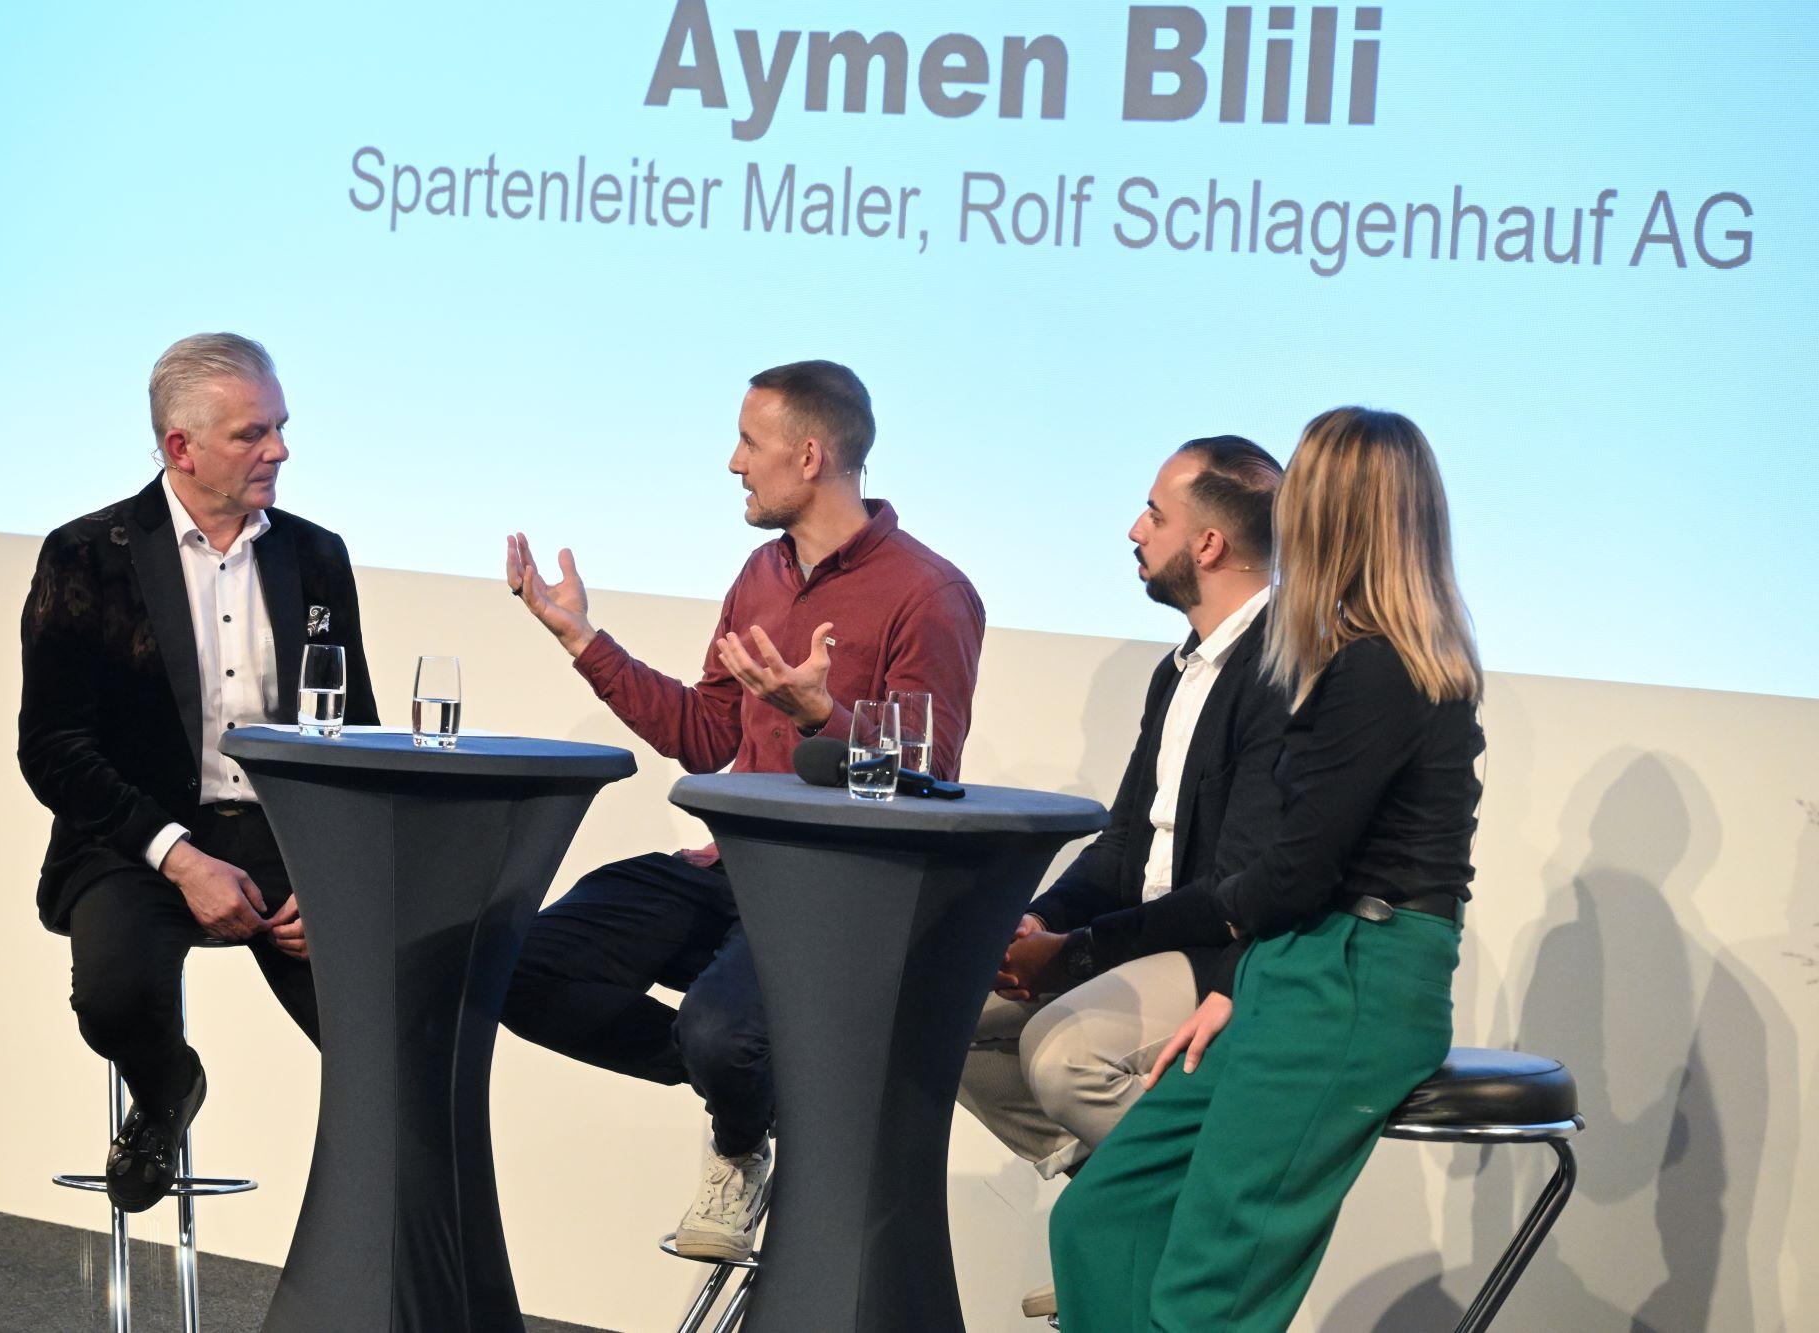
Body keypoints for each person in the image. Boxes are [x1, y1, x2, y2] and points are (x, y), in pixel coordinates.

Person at [499, 360, 985, 1261]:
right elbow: (703, 731)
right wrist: (581, 638)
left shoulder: (930, 593)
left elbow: (930, 776)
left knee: (722, 1028)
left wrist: (820, 718)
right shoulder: (761, 572)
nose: (732, 462)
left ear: (809, 455)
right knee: (518, 965)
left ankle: (735, 1134)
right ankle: (759, 1097)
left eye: (749, 443)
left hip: (834, 893)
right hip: (730, 871)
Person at [1048, 406, 1486, 1331]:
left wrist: (1100, 945)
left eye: (1306, 489)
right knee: (1104, 1214)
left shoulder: (1382, 667)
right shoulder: (1342, 656)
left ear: (1332, 513)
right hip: (1298, 966)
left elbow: (1291, 874)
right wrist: (1244, 980)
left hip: (1357, 974)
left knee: (1204, 1293)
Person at [17, 333, 377, 1213]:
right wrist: (179, 855)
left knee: (385, 1028)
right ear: (181, 447)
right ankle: (166, 1088)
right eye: (253, 433)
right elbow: (52, 747)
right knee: (115, 996)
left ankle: (375, 1226)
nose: (280, 450)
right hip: (137, 832)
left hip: (286, 835)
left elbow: (355, 731)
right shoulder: (85, 556)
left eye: (280, 428)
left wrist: (331, 878)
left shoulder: (315, 555)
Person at [955, 436, 1288, 1320]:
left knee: (1064, 1054)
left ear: (1208, 545)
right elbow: (1122, 847)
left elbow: (1236, 888)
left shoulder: (1282, 673)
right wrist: (1036, 924)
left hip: (1219, 954)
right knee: (937, 1005)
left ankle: (1142, 1218)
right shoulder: (1175, 668)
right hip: (1143, 934)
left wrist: (1076, 952)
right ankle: (1106, 1184)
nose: (1132, 529)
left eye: (1154, 513)